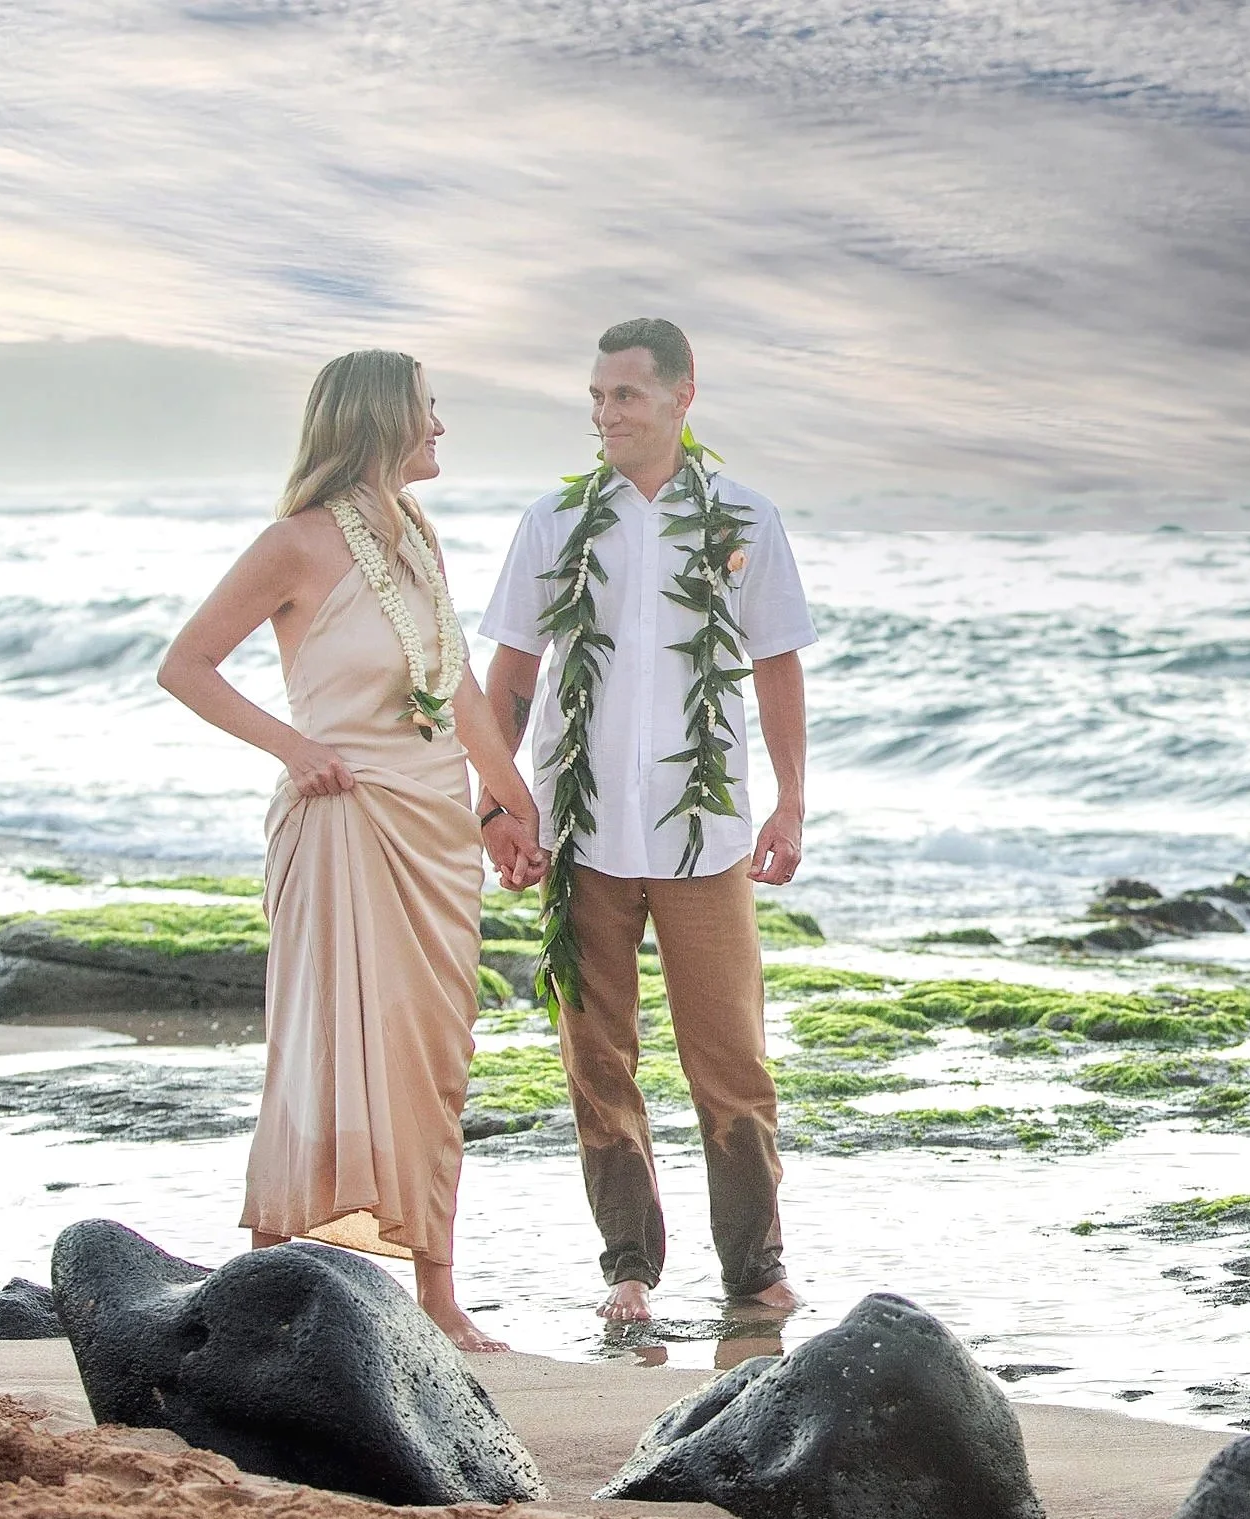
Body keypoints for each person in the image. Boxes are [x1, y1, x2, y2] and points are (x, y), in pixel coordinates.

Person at [157, 348, 545, 1352]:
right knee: (322, 1045)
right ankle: (259, 1274)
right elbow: (185, 665)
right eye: (428, 410)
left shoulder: (417, 536)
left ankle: (438, 1295)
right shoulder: (293, 543)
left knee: (432, 1051)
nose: (441, 427)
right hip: (339, 824)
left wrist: (510, 800)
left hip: (430, 827)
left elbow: (455, 686)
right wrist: (295, 747)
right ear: (380, 422)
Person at [476, 317, 812, 1324]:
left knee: (732, 1061)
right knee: (596, 1056)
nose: (604, 413)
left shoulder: (745, 519)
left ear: (681, 395)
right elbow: (511, 669)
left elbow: (777, 662)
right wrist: (498, 800)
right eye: (596, 396)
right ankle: (628, 1263)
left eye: (624, 394)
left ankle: (753, 1267)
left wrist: (791, 798)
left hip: (703, 839)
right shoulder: (553, 520)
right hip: (580, 837)